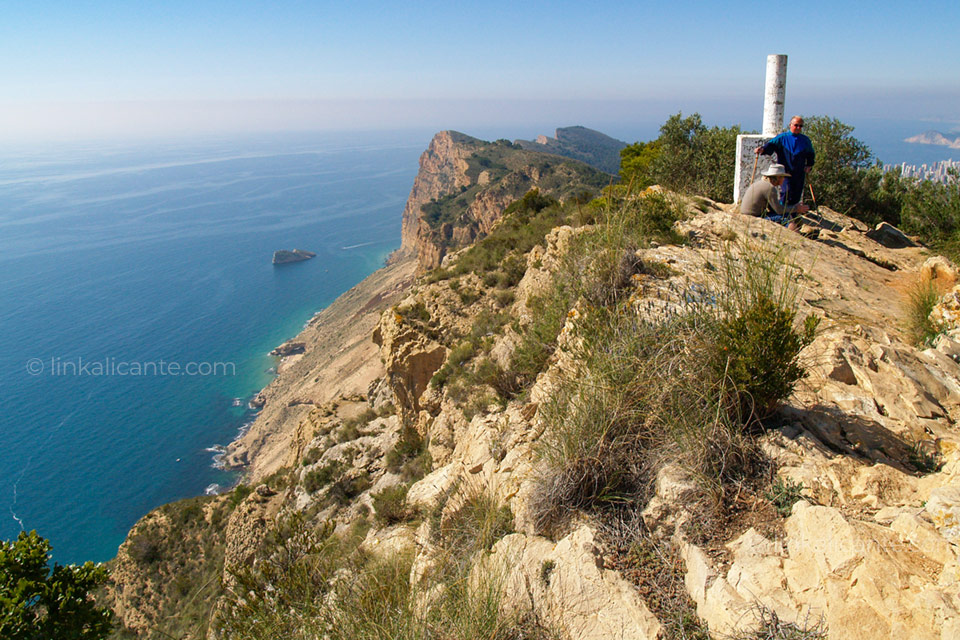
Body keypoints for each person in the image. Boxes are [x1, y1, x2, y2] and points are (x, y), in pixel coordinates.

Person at [754, 115, 815, 210]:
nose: (798, 128)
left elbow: (810, 154)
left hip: (799, 171)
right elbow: (770, 145)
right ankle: (783, 212)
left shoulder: (805, 140)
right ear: (790, 125)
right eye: (796, 125)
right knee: (786, 191)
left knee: (797, 193)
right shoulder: (782, 138)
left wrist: (809, 165)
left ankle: (793, 213)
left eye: (800, 126)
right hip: (785, 171)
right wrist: (762, 150)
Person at [741, 163, 808, 226]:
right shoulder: (770, 188)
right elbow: (779, 210)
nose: (784, 179)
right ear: (778, 177)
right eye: (783, 177)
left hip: (747, 216)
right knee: (786, 217)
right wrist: (796, 208)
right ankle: (795, 235)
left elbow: (773, 208)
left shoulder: (761, 184)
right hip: (753, 218)